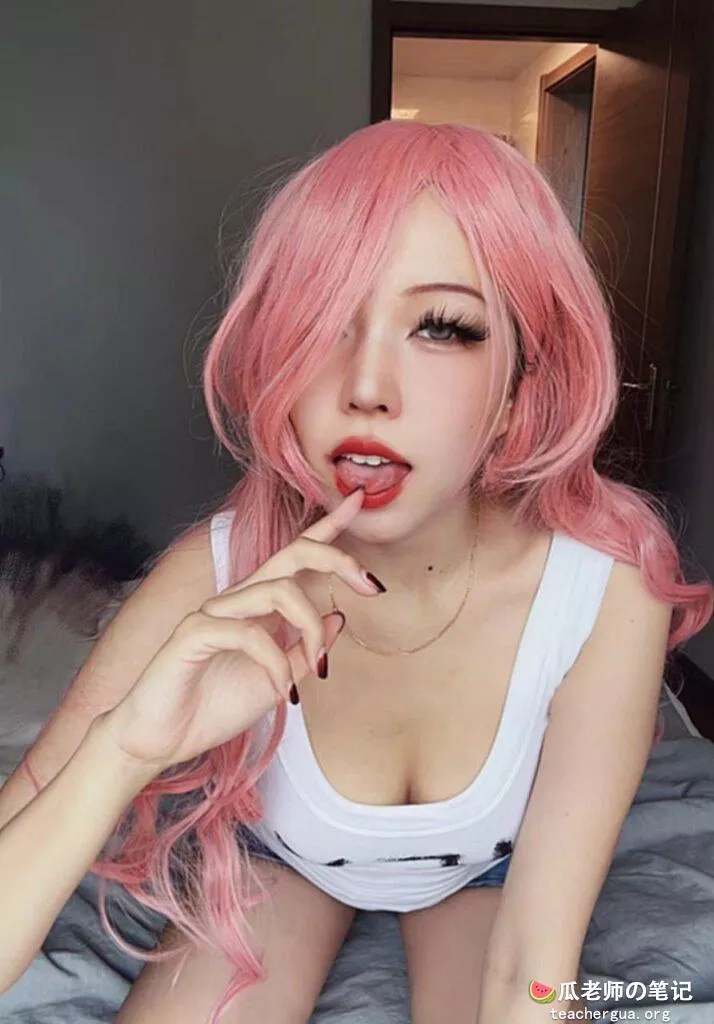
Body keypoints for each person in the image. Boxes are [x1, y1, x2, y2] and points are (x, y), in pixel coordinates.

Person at [0, 120, 711, 1024]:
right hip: (281, 863)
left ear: (516, 392)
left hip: (485, 875)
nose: (366, 386)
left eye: (443, 327)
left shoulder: (604, 590)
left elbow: (537, 968)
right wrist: (125, 750)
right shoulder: (214, 574)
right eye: (322, 321)